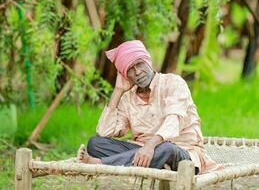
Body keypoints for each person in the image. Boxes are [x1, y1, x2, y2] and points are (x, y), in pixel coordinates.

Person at [77, 40, 222, 174]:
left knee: (167, 148)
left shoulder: (173, 83)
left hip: (182, 153)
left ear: (148, 61)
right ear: (125, 75)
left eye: (139, 64)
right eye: (130, 69)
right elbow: (104, 132)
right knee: (95, 143)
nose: (138, 72)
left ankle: (102, 164)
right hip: (142, 152)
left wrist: (150, 146)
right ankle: (157, 163)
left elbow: (173, 121)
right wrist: (118, 91)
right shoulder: (127, 98)